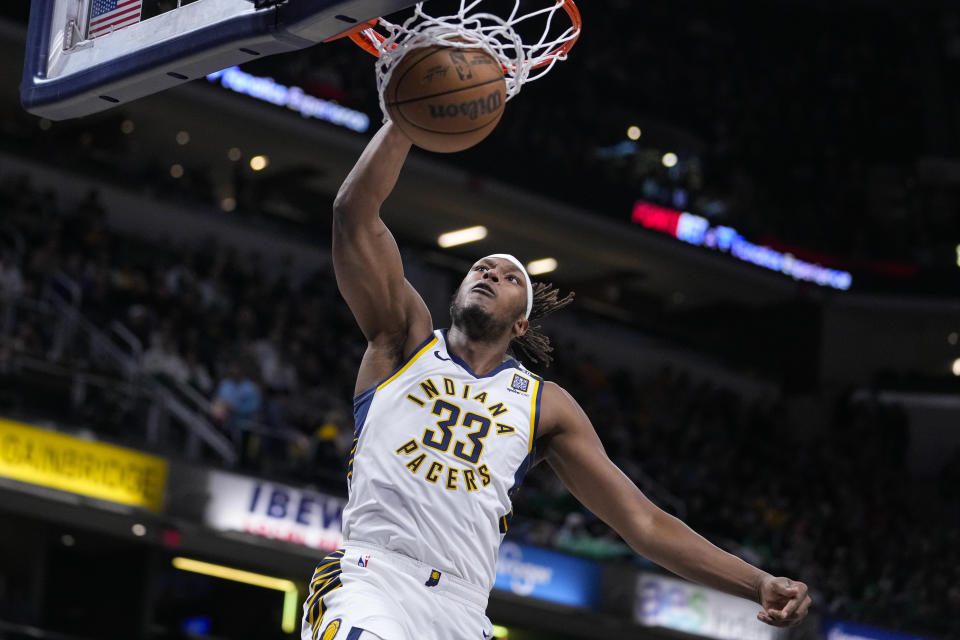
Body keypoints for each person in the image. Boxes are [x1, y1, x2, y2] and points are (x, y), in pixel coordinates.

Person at [301, 123, 811, 640]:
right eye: (480, 267)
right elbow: (354, 216)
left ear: (521, 322)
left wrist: (756, 583)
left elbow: (643, 523)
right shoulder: (403, 340)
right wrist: (404, 124)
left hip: (461, 609)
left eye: (508, 277)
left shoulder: (546, 406)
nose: (489, 273)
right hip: (373, 577)